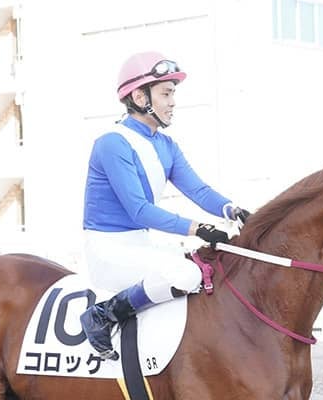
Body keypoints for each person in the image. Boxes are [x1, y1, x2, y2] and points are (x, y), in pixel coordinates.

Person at [80, 51, 250, 361]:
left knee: (210, 266)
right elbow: (139, 210)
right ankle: (102, 315)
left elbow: (198, 190)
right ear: (139, 97)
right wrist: (199, 228)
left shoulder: (166, 145)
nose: (173, 102)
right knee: (187, 275)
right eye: (166, 93)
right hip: (108, 250)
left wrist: (232, 210)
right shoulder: (112, 143)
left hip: (141, 244)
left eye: (173, 94)